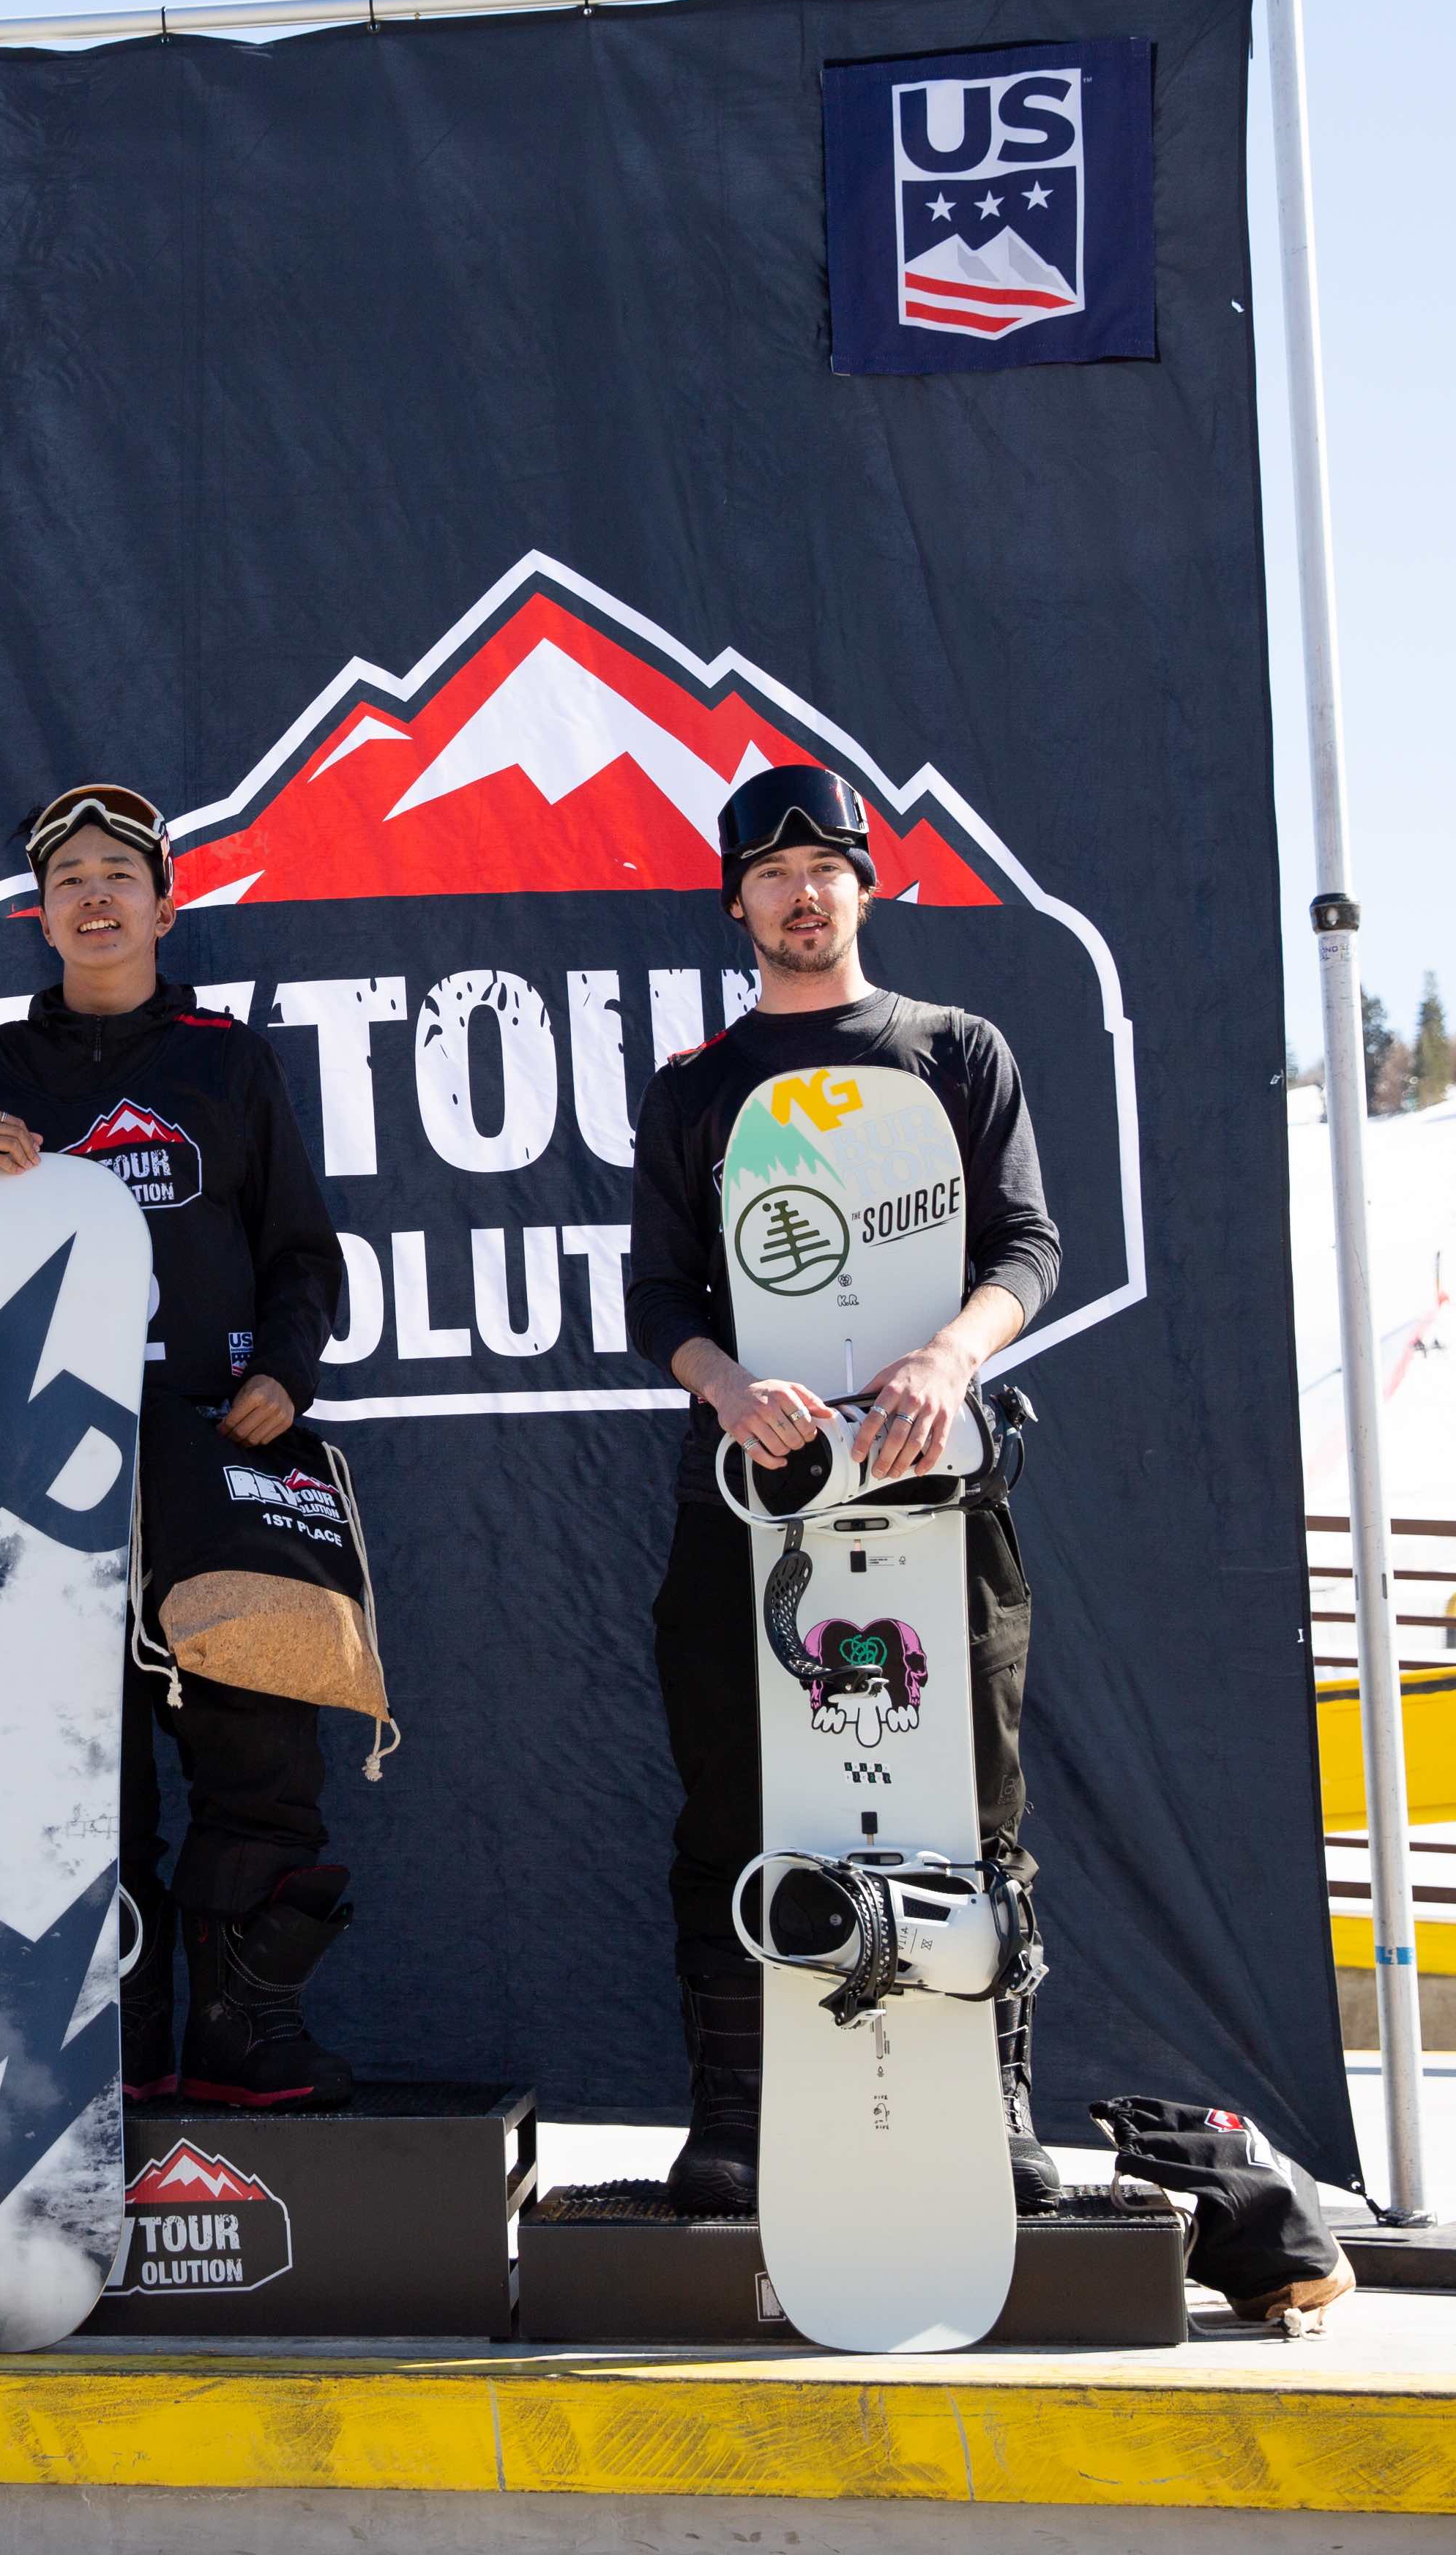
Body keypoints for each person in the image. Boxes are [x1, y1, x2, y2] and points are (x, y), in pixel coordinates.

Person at [621, 763, 1063, 2217]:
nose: (801, 894)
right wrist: (729, 1385)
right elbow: (655, 1298)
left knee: (969, 1799)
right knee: (733, 1806)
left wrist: (948, 1356)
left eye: (826, 868)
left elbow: (1028, 1246)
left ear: (868, 886)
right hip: (750, 1502)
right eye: (772, 873)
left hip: (934, 1494)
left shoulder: (954, 1051)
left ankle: (986, 2094)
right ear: (735, 901)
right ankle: (738, 2111)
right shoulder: (698, 1088)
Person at [0, 783, 359, 2108]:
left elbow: (302, 1253)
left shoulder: (227, 1060)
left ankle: (241, 2028)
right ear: (41, 918)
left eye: (120, 874)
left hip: (216, 1441)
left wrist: (284, 1371)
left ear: (166, 908)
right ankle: (99, 2032)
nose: (95, 896)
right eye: (70, 881)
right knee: (71, 1753)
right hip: (45, 1458)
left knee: (256, 1742)